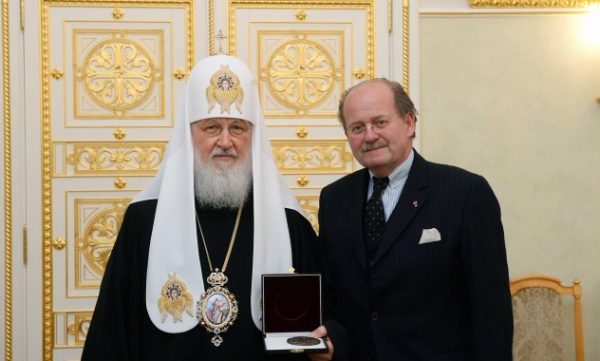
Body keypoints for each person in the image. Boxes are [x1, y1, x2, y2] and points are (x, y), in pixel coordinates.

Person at [82, 55, 344, 361]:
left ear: (253, 137)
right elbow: (113, 329)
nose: (225, 141)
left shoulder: (288, 222)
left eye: (237, 128)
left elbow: (331, 314)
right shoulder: (144, 220)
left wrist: (331, 338)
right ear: (189, 134)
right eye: (211, 128)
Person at [316, 78, 513, 360]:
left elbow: (491, 311)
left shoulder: (465, 193)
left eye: (380, 122)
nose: (369, 136)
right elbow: (332, 295)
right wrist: (332, 336)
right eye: (357, 127)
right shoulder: (334, 200)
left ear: (409, 123)